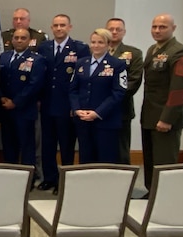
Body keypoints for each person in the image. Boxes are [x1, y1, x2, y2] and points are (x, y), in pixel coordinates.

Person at [37, 14, 89, 192]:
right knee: (48, 144)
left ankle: (64, 181)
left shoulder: (79, 48)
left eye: (62, 25)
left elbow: (82, 80)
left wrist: (76, 106)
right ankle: (50, 177)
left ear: (70, 27)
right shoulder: (43, 47)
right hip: (47, 103)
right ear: (51, 28)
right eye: (56, 25)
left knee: (66, 145)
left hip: (67, 105)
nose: (59, 28)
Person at [141, 14, 183, 190]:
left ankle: (164, 198)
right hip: (150, 115)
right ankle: (151, 193)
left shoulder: (179, 52)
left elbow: (179, 90)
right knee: (150, 160)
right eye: (154, 26)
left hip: (166, 118)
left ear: (173, 28)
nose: (157, 30)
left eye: (162, 27)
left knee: (164, 163)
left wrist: (167, 119)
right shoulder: (153, 50)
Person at [69, 28, 127, 164]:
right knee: (85, 158)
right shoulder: (81, 63)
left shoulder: (117, 65)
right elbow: (73, 89)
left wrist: (97, 113)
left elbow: (118, 93)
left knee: (105, 159)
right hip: (83, 119)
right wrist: (76, 109)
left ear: (108, 44)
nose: (96, 45)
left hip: (106, 121)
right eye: (93, 42)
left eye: (100, 42)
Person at [0, 28, 47, 168]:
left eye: (23, 38)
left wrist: (15, 102)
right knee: (8, 145)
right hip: (6, 109)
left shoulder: (37, 60)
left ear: (29, 40)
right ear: (12, 39)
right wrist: (2, 98)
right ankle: (10, 174)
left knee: (26, 146)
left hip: (24, 110)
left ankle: (27, 178)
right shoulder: (4, 56)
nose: (19, 40)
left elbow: (34, 85)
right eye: (16, 37)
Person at [106, 18, 144, 165]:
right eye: (111, 29)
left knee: (120, 149)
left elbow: (133, 81)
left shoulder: (134, 53)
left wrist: (109, 100)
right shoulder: (95, 51)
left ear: (124, 32)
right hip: (96, 109)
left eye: (118, 29)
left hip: (120, 109)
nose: (114, 32)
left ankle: (123, 184)